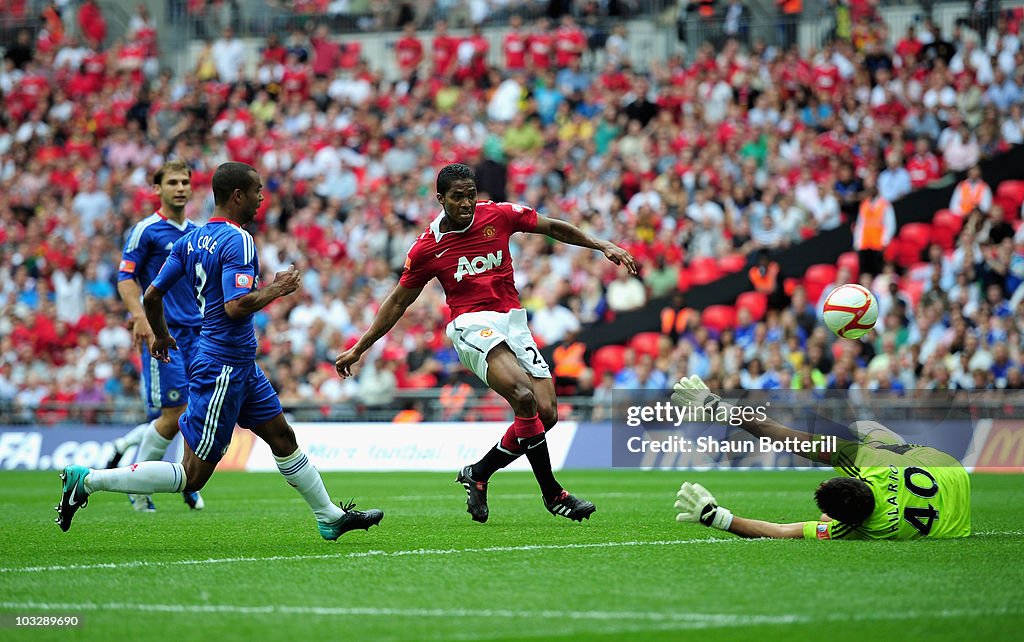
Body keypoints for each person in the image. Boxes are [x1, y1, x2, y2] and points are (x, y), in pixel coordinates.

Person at [56, 162, 384, 540]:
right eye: (258, 190)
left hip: (240, 364)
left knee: (282, 437)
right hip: (223, 367)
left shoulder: (189, 240)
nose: (263, 198)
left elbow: (152, 294)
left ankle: (329, 516)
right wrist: (278, 289)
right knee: (192, 476)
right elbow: (236, 305)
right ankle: (87, 481)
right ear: (237, 195)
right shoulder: (238, 240)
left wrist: (161, 336)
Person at [335, 163, 637, 523]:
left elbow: (552, 226)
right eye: (457, 197)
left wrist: (601, 244)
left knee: (545, 414)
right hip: (470, 324)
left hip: (512, 320)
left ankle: (479, 473)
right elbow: (399, 301)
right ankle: (553, 494)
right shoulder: (427, 248)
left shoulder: (499, 215)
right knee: (523, 398)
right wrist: (360, 347)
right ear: (440, 199)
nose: (466, 203)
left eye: (471, 195)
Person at [669, 375, 971, 540]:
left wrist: (715, 517)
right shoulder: (868, 460)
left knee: (860, 432)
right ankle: (895, 445)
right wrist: (720, 407)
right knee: (863, 429)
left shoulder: (855, 528)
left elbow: (783, 531)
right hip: (947, 469)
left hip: (956, 509)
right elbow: (779, 432)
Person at [107, 160, 205, 512]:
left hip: (200, 334)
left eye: (185, 182)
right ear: (158, 189)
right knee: (174, 410)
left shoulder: (198, 232)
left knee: (197, 409)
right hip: (165, 334)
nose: (180, 187)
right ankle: (138, 486)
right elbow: (126, 278)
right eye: (173, 182)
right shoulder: (146, 230)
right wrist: (140, 318)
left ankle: (187, 480)